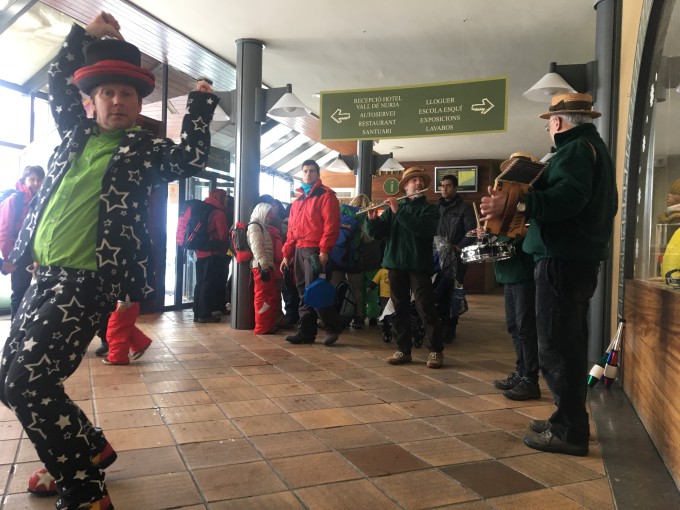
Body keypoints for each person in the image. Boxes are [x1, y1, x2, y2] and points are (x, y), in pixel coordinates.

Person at [0, 12, 218, 510]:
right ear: (91, 101)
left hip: (86, 282)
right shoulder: (75, 136)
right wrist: (87, 35)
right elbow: (58, 79)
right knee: (10, 378)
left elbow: (193, 158)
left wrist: (201, 102)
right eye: (108, 94)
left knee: (28, 382)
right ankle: (87, 451)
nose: (117, 101)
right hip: (42, 277)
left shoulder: (144, 150)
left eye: (128, 95)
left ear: (139, 104)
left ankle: (84, 489)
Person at [480, 92, 618, 456]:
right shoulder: (593, 149)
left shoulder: (573, 152)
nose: (547, 129)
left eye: (548, 124)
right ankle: (569, 417)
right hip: (575, 259)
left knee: (556, 346)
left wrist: (514, 201)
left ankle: (569, 430)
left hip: (561, 259)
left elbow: (568, 200)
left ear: (557, 123)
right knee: (568, 344)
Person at [366, 166, 444, 368]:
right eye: (413, 180)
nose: (418, 183)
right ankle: (403, 350)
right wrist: (372, 219)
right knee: (398, 308)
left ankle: (436, 350)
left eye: (420, 180)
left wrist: (398, 211)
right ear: (406, 186)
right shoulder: (394, 209)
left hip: (419, 266)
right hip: (395, 265)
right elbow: (377, 234)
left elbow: (422, 229)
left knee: (425, 307)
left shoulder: (429, 209)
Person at [491, 153, 541, 402]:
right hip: (509, 272)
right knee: (514, 326)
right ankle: (521, 373)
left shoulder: (530, 199)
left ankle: (530, 379)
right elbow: (501, 234)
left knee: (525, 328)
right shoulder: (507, 203)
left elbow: (528, 234)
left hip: (524, 272)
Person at [281, 159, 343, 346]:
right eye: (305, 171)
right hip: (299, 249)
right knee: (302, 292)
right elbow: (291, 230)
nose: (308, 174)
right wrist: (287, 253)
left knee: (315, 290)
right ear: (302, 173)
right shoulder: (298, 200)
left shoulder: (326, 195)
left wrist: (324, 250)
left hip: (315, 250)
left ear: (318, 174)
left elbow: (331, 225)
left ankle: (333, 327)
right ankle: (306, 332)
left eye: (312, 171)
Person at [0, 165, 45, 318]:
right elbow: (4, 231)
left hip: (36, 253)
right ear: (24, 180)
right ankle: (15, 332)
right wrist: (8, 259)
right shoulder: (15, 200)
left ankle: (26, 329)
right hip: (18, 252)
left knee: (35, 291)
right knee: (19, 292)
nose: (36, 183)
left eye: (39, 179)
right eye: (31, 179)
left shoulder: (42, 201)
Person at [436, 173, 477, 342]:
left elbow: (472, 231)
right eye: (442, 186)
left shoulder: (465, 208)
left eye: (448, 186)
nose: (444, 189)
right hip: (437, 257)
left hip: (456, 258)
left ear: (455, 188)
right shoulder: (435, 208)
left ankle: (450, 327)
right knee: (437, 291)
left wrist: (459, 246)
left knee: (454, 292)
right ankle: (437, 325)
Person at [191, 189, 230, 323]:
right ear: (220, 198)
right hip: (212, 253)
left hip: (200, 252)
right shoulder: (218, 213)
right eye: (224, 198)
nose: (226, 200)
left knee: (200, 283)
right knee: (208, 283)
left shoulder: (202, 210)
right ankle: (204, 314)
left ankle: (197, 312)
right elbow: (223, 235)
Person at [248, 202, 283, 334]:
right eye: (268, 215)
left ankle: (267, 324)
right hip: (261, 267)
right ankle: (262, 327)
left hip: (266, 266)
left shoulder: (262, 226)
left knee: (268, 296)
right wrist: (263, 265)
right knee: (262, 297)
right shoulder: (255, 227)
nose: (269, 218)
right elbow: (257, 248)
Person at [101, 300, 152, 365]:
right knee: (125, 326)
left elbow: (125, 290)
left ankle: (118, 358)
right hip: (129, 303)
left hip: (125, 303)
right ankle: (140, 343)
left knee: (116, 330)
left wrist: (122, 302)